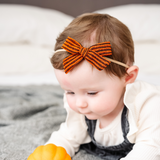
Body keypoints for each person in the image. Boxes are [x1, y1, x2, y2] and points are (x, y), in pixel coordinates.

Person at [41, 13, 160, 159]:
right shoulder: (81, 106)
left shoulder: (147, 103)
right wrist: (51, 153)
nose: (79, 104)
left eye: (91, 93)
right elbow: (68, 136)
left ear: (128, 77)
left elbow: (150, 147)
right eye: (69, 92)